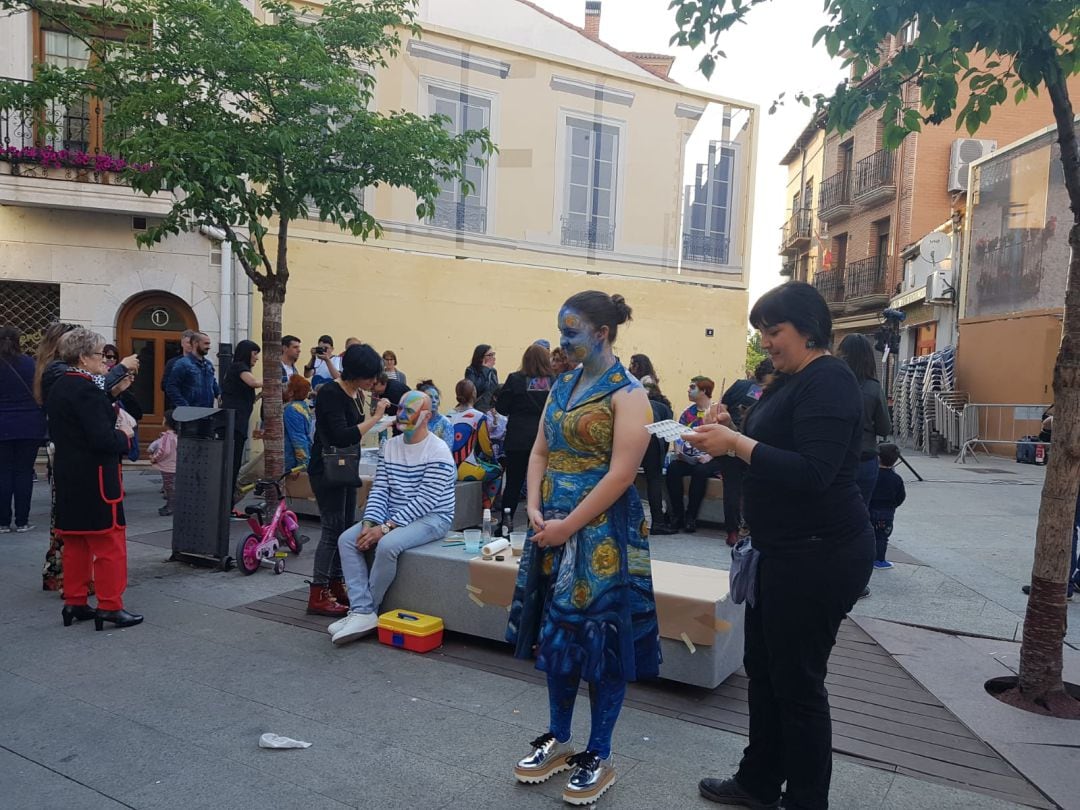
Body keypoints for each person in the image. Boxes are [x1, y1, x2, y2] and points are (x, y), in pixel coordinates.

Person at [685, 281, 873, 810]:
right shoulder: (790, 381)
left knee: (798, 683)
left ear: (808, 328)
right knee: (765, 673)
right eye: (761, 333)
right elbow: (766, 456)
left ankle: (807, 800)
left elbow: (813, 472)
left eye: (774, 331)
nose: (765, 342)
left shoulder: (830, 381)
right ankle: (759, 781)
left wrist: (739, 442)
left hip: (820, 555)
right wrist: (726, 436)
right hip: (780, 552)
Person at [507, 291, 659, 805]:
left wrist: (566, 525)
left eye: (571, 333)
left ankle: (599, 750)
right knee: (557, 637)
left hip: (603, 536)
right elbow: (540, 450)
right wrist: (532, 506)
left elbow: (621, 475)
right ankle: (558, 735)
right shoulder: (563, 384)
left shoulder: (629, 393)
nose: (563, 342)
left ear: (601, 332)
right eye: (561, 331)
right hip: (551, 528)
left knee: (602, 642)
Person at [329, 391, 456, 644]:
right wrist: (369, 523)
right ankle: (362, 610)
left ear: (427, 416)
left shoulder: (438, 450)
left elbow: (426, 502)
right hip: (394, 514)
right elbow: (380, 489)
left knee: (387, 545)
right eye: (400, 409)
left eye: (410, 411)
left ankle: (367, 611)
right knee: (347, 539)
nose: (401, 415)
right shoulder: (390, 446)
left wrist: (384, 529)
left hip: (433, 517)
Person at [47, 328, 143, 630]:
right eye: (101, 354)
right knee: (109, 545)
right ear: (84, 357)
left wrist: (111, 394)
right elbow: (101, 438)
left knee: (76, 542)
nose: (105, 360)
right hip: (97, 479)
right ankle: (110, 606)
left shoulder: (61, 385)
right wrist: (124, 436)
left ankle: (74, 601)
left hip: (69, 476)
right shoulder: (86, 388)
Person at [306, 343, 391, 616]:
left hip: (345, 468)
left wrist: (378, 420)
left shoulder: (354, 392)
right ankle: (318, 593)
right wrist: (376, 417)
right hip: (327, 469)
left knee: (345, 528)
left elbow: (354, 429)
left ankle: (336, 583)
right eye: (369, 377)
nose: (373, 382)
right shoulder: (331, 392)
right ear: (355, 373)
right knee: (332, 530)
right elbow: (343, 435)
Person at [714, 359, 774, 546]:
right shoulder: (770, 391)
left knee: (731, 488)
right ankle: (749, 526)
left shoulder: (740, 385)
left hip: (728, 442)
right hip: (752, 445)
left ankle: (732, 532)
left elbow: (720, 411)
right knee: (752, 487)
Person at [496, 345, 555, 527]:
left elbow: (501, 408)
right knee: (538, 483)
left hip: (517, 437)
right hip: (543, 438)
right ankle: (536, 522)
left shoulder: (515, 379)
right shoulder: (554, 380)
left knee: (513, 482)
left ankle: (506, 523)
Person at [0, 326, 46, 533]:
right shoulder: (31, 364)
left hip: (2, 424)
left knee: (3, 472)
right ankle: (22, 521)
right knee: (24, 472)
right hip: (29, 424)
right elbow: (39, 393)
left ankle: (2, 522)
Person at [837, 333, 891, 505]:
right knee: (861, 512)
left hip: (835, 458)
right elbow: (884, 429)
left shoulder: (830, 383)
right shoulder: (873, 388)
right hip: (864, 458)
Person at [664, 376, 721, 534]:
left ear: (703, 391)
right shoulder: (688, 413)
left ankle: (691, 517)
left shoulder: (717, 411)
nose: (688, 390)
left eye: (692, 387)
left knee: (700, 471)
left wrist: (709, 456)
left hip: (712, 458)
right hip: (690, 457)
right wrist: (679, 451)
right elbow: (678, 434)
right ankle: (677, 515)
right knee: (673, 469)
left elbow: (722, 438)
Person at [449, 379, 502, 509]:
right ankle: (486, 509)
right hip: (466, 468)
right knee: (497, 471)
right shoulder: (478, 416)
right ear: (474, 394)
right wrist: (494, 460)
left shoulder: (448, 415)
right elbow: (486, 448)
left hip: (450, 467)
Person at [221, 339, 262, 507]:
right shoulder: (239, 367)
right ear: (247, 353)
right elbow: (253, 383)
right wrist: (273, 379)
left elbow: (245, 399)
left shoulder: (237, 370)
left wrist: (260, 396)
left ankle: (228, 504)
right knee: (232, 464)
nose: (257, 358)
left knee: (235, 464)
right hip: (233, 424)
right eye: (255, 354)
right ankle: (226, 504)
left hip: (238, 423)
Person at [642, 382, 675, 535]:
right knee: (654, 479)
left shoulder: (638, 403)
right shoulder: (665, 409)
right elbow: (666, 438)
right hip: (653, 439)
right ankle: (658, 522)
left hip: (632, 433)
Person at [868, 443, 906, 570]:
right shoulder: (896, 479)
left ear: (877, 458)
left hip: (870, 508)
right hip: (887, 512)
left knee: (868, 534)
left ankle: (866, 556)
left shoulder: (872, 475)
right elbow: (901, 496)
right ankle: (879, 560)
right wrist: (893, 505)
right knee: (882, 537)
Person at [165, 331, 219, 408]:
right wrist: (184, 406)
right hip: (189, 413)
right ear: (195, 343)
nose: (209, 347)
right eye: (206, 343)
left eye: (209, 343)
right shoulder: (182, 363)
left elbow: (213, 383)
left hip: (207, 412)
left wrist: (219, 395)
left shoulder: (208, 365)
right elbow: (171, 387)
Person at [148, 411, 178, 516]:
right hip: (174, 465)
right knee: (172, 485)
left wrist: (154, 458)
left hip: (167, 466)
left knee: (169, 487)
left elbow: (164, 451)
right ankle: (171, 504)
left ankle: (171, 506)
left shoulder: (167, 437)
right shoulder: (176, 435)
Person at [283, 374, 314, 471]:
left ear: (291, 392)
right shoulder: (302, 406)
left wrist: (301, 465)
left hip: (290, 460)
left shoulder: (292, 409)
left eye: (285, 386)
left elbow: (298, 439)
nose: (282, 388)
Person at [161, 328, 197, 408]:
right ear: (182, 344)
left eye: (192, 343)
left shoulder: (202, 363)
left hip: (197, 406)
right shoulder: (172, 363)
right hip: (177, 406)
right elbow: (164, 385)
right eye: (188, 342)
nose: (190, 345)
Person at [415, 379, 454, 449]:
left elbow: (447, 451)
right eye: (430, 397)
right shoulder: (415, 422)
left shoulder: (445, 423)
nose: (434, 400)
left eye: (436, 398)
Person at [465, 343, 499, 411]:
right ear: (481, 357)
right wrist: (485, 369)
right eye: (490, 355)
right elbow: (475, 389)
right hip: (477, 409)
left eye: (493, 354)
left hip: (491, 409)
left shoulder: (493, 371)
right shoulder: (471, 370)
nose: (493, 357)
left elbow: (495, 390)